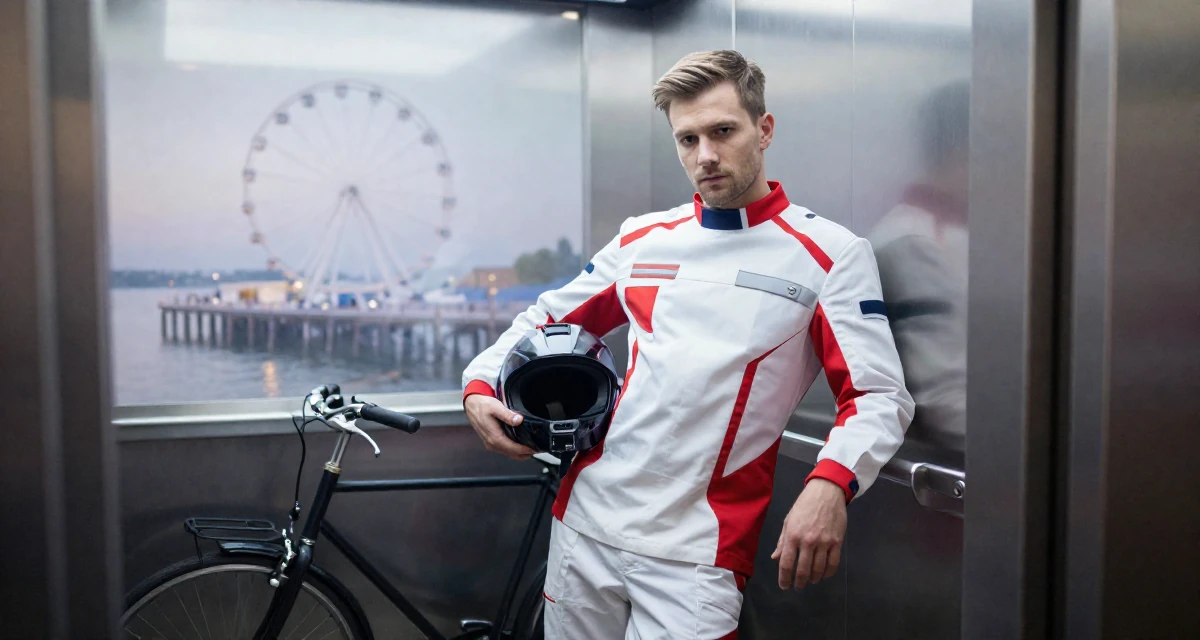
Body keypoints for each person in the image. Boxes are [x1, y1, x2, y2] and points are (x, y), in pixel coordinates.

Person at [461, 50, 914, 639]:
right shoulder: (643, 239)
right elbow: (545, 318)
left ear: (764, 129)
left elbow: (879, 395)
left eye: (723, 131)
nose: (706, 156)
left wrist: (830, 485)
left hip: (698, 553)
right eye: (688, 139)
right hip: (585, 523)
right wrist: (478, 386)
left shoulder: (830, 254)